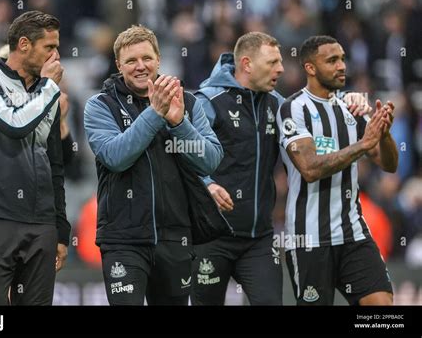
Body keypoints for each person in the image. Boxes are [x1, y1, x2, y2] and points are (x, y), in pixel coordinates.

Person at [190, 32, 372, 305]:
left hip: (259, 239)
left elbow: (314, 112)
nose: (281, 68)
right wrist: (207, 184)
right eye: (272, 62)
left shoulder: (278, 105)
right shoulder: (208, 101)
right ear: (247, 64)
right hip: (211, 235)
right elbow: (182, 154)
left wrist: (348, 100)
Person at [84, 25, 231, 305]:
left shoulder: (187, 102)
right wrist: (155, 113)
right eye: (131, 61)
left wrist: (178, 123)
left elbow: (211, 159)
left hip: (175, 238)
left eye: (147, 58)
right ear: (118, 65)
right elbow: (115, 157)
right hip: (123, 240)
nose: (141, 66)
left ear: (159, 59)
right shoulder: (100, 105)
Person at [0, 10, 71, 305]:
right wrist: (49, 88)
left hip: (41, 223)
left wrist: (61, 229)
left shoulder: (47, 93)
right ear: (23, 44)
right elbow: (15, 125)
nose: (56, 55)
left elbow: (55, 164)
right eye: (49, 47)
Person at [276, 35, 398, 305]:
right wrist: (364, 144)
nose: (342, 66)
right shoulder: (293, 109)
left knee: (382, 309)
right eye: (331, 60)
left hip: (353, 232)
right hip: (309, 238)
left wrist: (385, 135)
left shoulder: (351, 108)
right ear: (310, 68)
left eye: (342, 59)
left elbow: (389, 165)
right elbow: (309, 168)